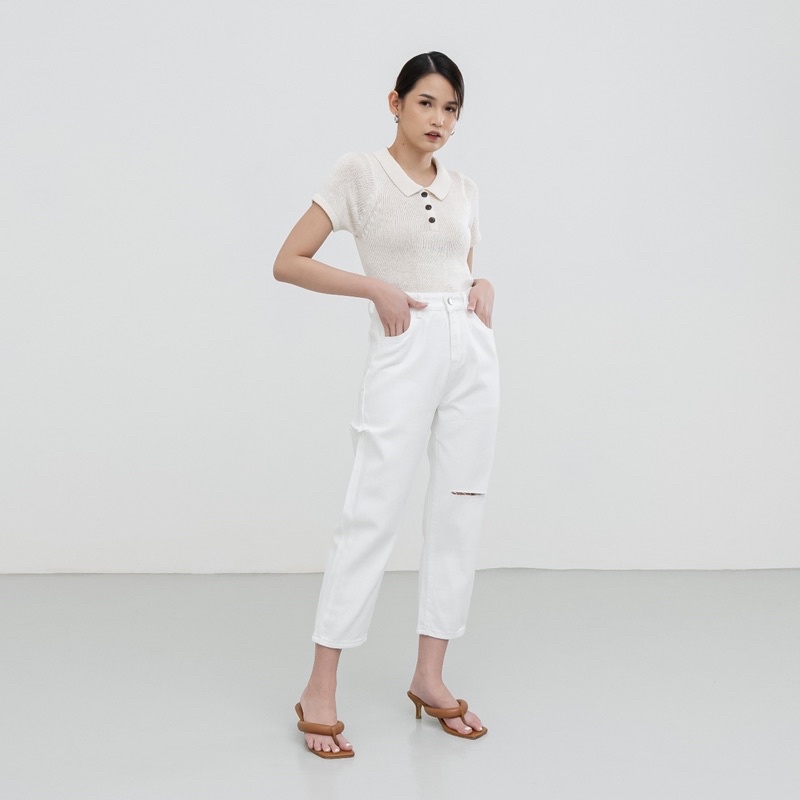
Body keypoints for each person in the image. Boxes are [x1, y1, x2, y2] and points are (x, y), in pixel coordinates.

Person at [273, 51, 500, 759]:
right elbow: (289, 260)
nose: (439, 119)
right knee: (371, 511)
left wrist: (482, 284)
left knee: (460, 508)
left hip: (470, 345)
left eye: (451, 108)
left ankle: (430, 677)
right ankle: (319, 687)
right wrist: (373, 288)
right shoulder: (360, 174)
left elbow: (457, 266)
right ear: (396, 102)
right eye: (426, 102)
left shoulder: (464, 188)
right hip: (407, 344)